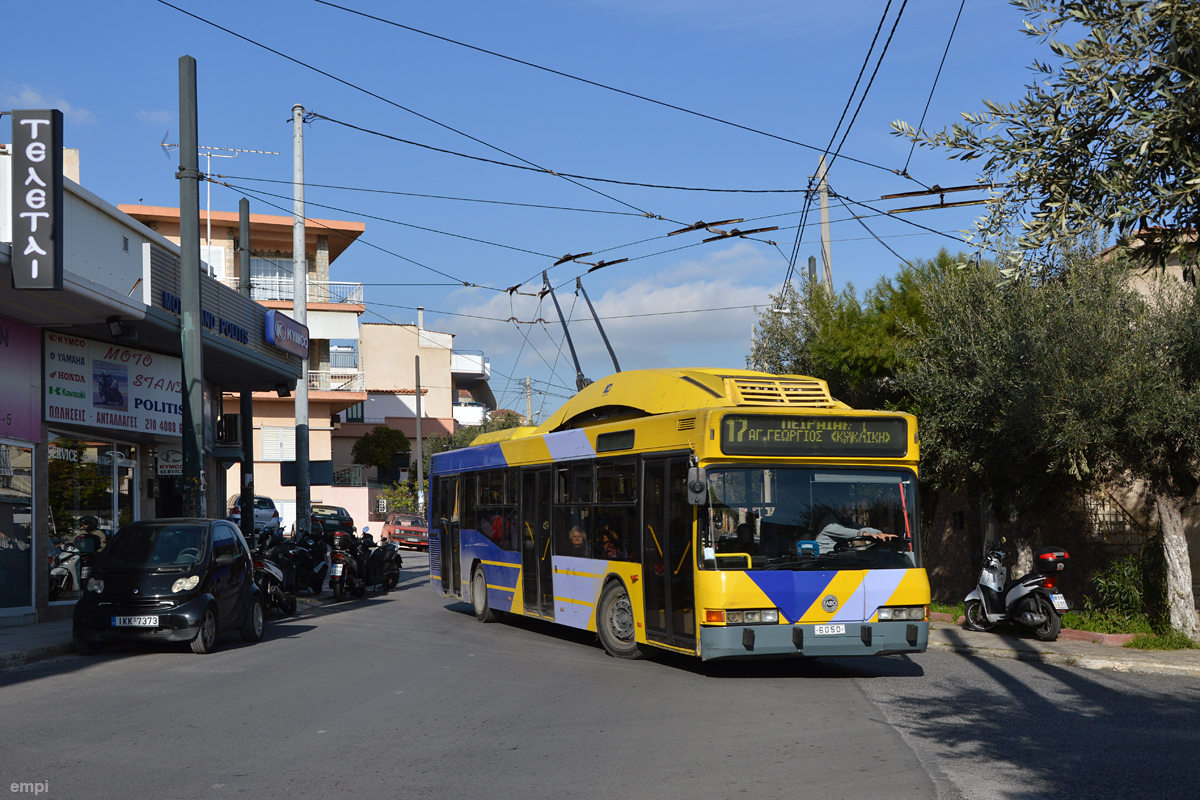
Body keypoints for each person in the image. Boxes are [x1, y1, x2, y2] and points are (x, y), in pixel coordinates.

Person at [814, 512, 896, 555]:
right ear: (839, 509)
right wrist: (864, 534)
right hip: (823, 559)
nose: (852, 513)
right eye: (848, 508)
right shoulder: (828, 523)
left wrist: (879, 533)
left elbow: (861, 528)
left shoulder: (845, 521)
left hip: (842, 557)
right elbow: (846, 532)